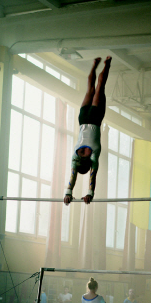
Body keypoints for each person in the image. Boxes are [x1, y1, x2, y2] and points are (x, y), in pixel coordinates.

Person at [64, 56, 111, 205]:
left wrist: (90, 193)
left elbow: (92, 176)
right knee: (90, 88)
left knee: (100, 87)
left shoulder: (93, 156)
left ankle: (107, 64)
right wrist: (68, 192)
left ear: (88, 165)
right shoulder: (75, 155)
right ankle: (94, 65)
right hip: (83, 119)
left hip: (95, 119)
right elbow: (72, 177)